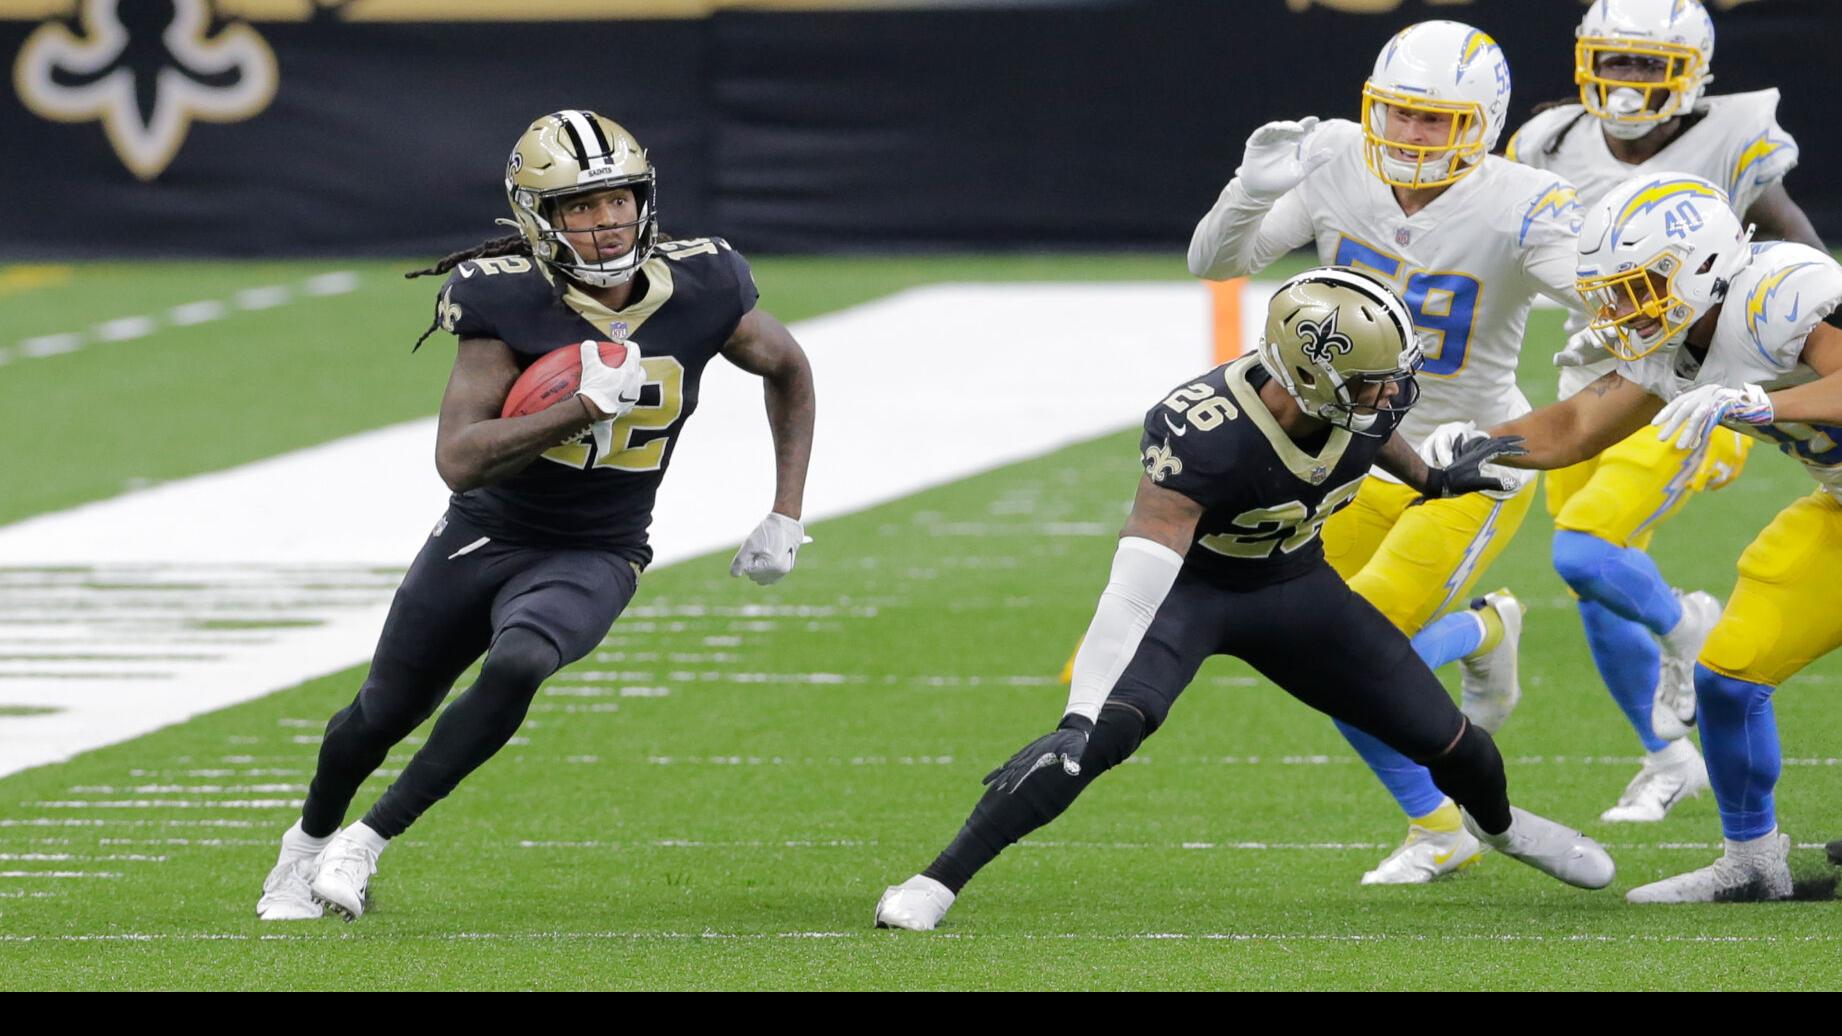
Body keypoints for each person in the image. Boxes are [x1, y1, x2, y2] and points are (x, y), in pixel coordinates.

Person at [874, 268, 1615, 931]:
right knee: (1092, 745)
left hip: (1297, 588)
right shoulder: (1204, 434)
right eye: (1371, 384)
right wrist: (1079, 713)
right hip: (1191, 595)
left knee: (1457, 744)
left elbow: (1372, 438)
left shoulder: (1353, 400)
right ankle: (936, 881)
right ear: (1308, 378)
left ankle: (1503, 828)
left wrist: (1430, 481)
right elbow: (1133, 596)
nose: (1391, 396)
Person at [256, 109, 817, 920]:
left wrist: (785, 511)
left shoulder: (705, 282)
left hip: (599, 546)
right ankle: (303, 847)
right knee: (378, 715)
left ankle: (365, 841)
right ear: (538, 218)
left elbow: (789, 366)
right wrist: (577, 408)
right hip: (487, 532)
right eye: (580, 208)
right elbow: (459, 458)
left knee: (521, 661)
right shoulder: (507, 297)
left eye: (618, 199)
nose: (606, 220)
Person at [1189, 20, 1587, 884]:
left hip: (1477, 457)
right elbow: (1215, 261)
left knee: (1355, 644)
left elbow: (1599, 301)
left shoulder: (1523, 199)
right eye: (1398, 114)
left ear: (1481, 125)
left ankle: (1485, 632)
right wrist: (1245, 191)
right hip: (1364, 453)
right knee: (1313, 642)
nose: (1408, 136)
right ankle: (1439, 825)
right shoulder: (1338, 162)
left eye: (1433, 121)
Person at [1453, 173, 1842, 902]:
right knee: (1728, 675)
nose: (1618, 310)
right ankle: (1754, 860)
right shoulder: (1675, 342)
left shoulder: (1783, 287)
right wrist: (1472, 447)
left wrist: (1764, 404)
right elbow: (1573, 427)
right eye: (1611, 291)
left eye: (1636, 288)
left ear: (1700, 267)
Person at [1502, 0, 1823, 823]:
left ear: (1690, 73)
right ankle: (1669, 758)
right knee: (1599, 586)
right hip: (1615, 368)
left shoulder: (1736, 143)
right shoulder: (1545, 143)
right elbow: (1508, 255)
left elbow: (1799, 259)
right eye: (1615, 60)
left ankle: (1686, 625)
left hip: (1703, 384)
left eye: (1648, 63)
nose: (1627, 80)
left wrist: (1771, 366)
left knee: (1586, 549)